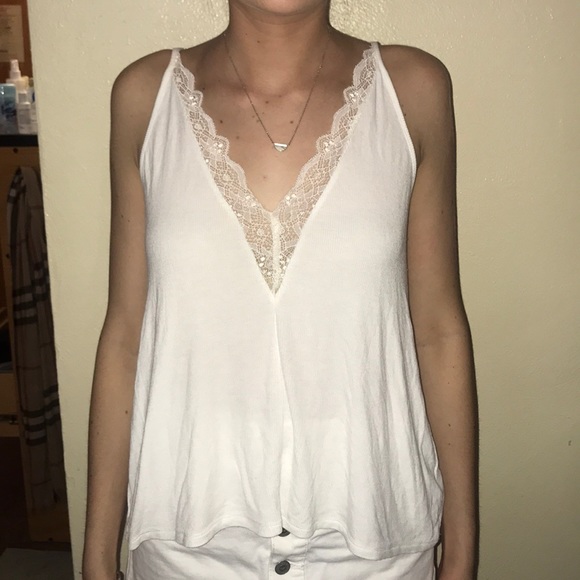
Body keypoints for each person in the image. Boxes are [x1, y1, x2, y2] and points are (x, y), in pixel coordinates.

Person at [82, 1, 478, 578]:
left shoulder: (413, 91)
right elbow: (124, 336)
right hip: (186, 541)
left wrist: (461, 550)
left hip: (375, 540)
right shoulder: (145, 98)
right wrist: (97, 554)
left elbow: (439, 330)